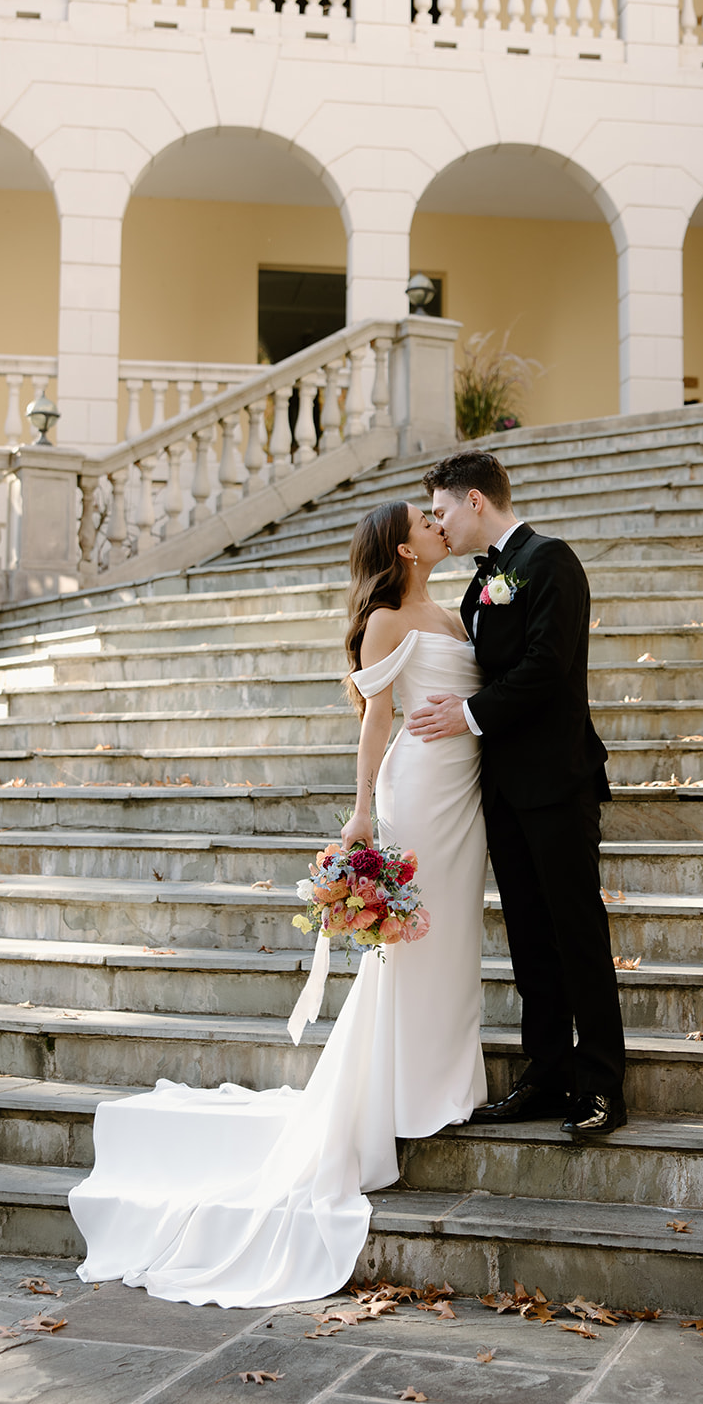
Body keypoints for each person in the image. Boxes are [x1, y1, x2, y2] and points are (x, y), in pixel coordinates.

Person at [67, 501, 488, 1308]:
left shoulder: (456, 606)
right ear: (402, 545)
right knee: (416, 941)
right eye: (423, 521)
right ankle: (404, 1093)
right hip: (419, 792)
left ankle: (446, 1081)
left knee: (454, 935)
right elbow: (377, 720)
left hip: (465, 790)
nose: (440, 524)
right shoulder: (388, 621)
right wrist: (362, 811)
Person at [408, 450, 627, 1138]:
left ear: (475, 500)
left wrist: (466, 717)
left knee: (575, 936)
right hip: (499, 788)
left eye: (441, 511)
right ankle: (545, 1074)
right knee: (531, 942)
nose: (438, 526)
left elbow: (545, 665)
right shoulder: (481, 582)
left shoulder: (548, 560)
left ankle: (601, 1088)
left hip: (556, 782)